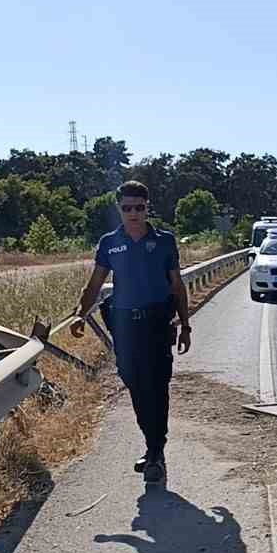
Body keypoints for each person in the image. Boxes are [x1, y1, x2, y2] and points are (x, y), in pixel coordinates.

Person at [70, 181, 192, 483]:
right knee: (135, 385)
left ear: (148, 207)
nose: (134, 213)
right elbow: (94, 284)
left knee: (157, 384)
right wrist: (79, 314)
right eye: (127, 208)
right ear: (119, 209)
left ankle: (155, 451)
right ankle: (152, 444)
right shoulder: (109, 242)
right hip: (125, 325)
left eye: (139, 207)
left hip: (157, 323)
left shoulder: (164, 241)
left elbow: (177, 286)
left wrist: (185, 325)